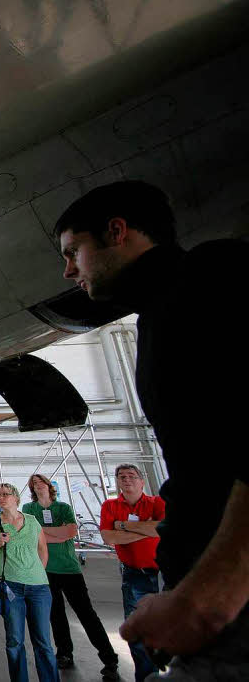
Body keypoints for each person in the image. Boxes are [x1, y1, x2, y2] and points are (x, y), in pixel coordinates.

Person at [57, 180, 249, 679]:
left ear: (117, 231)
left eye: (74, 251)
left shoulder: (210, 274)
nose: (68, 270)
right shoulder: (162, 308)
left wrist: (210, 596)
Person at [24, 474, 119, 680]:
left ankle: (109, 657)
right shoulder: (29, 509)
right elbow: (30, 535)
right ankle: (64, 653)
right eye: (34, 484)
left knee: (86, 614)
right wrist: (54, 533)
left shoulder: (63, 508)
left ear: (49, 486)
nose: (38, 486)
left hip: (69, 569)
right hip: (45, 569)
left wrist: (44, 533)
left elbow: (70, 532)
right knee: (55, 614)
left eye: (41, 482)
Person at [0, 482, 58, 682]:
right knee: (14, 641)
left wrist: (37, 572)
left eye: (5, 494)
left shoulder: (32, 521)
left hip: (38, 587)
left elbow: (42, 550)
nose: (1, 498)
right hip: (10, 587)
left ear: (16, 497)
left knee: (43, 642)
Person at [97, 465, 166, 682]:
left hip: (164, 572)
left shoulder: (157, 502)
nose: (127, 480)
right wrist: (145, 529)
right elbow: (109, 538)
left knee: (170, 623)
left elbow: (161, 528)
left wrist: (123, 526)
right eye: (121, 477)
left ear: (141, 481)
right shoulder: (110, 505)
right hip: (134, 573)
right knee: (136, 627)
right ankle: (147, 676)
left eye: (131, 476)